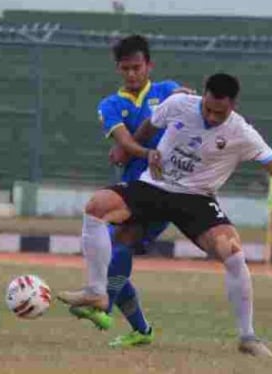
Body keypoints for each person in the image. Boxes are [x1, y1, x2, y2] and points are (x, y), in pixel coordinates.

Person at [58, 73, 272, 357]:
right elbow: (149, 126)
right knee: (96, 206)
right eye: (206, 108)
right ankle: (96, 291)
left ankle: (247, 337)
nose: (210, 116)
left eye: (219, 113)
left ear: (232, 106)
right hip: (154, 186)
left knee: (232, 251)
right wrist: (128, 148)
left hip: (197, 198)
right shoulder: (179, 103)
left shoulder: (242, 133)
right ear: (203, 96)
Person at [70, 34, 194, 348]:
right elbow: (123, 142)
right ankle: (140, 330)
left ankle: (105, 304)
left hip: (166, 189)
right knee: (112, 253)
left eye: (137, 67)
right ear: (118, 69)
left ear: (149, 65)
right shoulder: (111, 104)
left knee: (120, 245)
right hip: (132, 191)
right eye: (125, 68)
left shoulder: (167, 91)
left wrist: (187, 99)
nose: (132, 74)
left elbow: (195, 111)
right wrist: (141, 152)